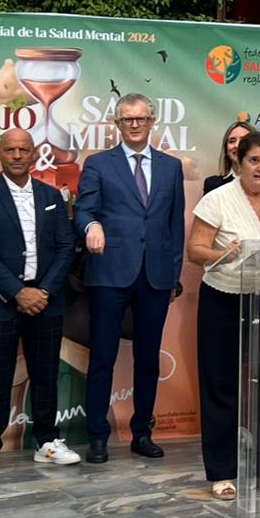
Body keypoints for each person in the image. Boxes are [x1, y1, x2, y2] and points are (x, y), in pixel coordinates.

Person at [188, 131, 260, 499]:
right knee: (221, 386)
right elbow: (195, 250)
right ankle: (222, 473)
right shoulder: (217, 199)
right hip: (226, 298)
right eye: (253, 160)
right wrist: (224, 254)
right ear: (238, 162)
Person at [74, 93, 185, 464]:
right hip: (109, 272)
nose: (134, 125)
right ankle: (98, 438)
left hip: (154, 276)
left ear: (152, 120)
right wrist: (91, 225)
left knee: (147, 360)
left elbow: (174, 225)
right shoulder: (98, 164)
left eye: (140, 119)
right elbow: (84, 209)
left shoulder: (171, 167)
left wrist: (172, 276)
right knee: (102, 357)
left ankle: (142, 433)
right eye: (127, 120)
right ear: (117, 124)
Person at [0, 128, 78, 474]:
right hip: (1, 301)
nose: (16, 155)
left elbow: (65, 248)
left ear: (33, 155)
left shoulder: (51, 196)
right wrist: (17, 292)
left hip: (46, 299)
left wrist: (43, 291)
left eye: (23, 149)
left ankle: (47, 441)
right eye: (10, 149)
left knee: (45, 374)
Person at [204, 119, 260, 196]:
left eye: (244, 140)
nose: (237, 145)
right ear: (226, 148)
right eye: (232, 141)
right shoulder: (213, 185)